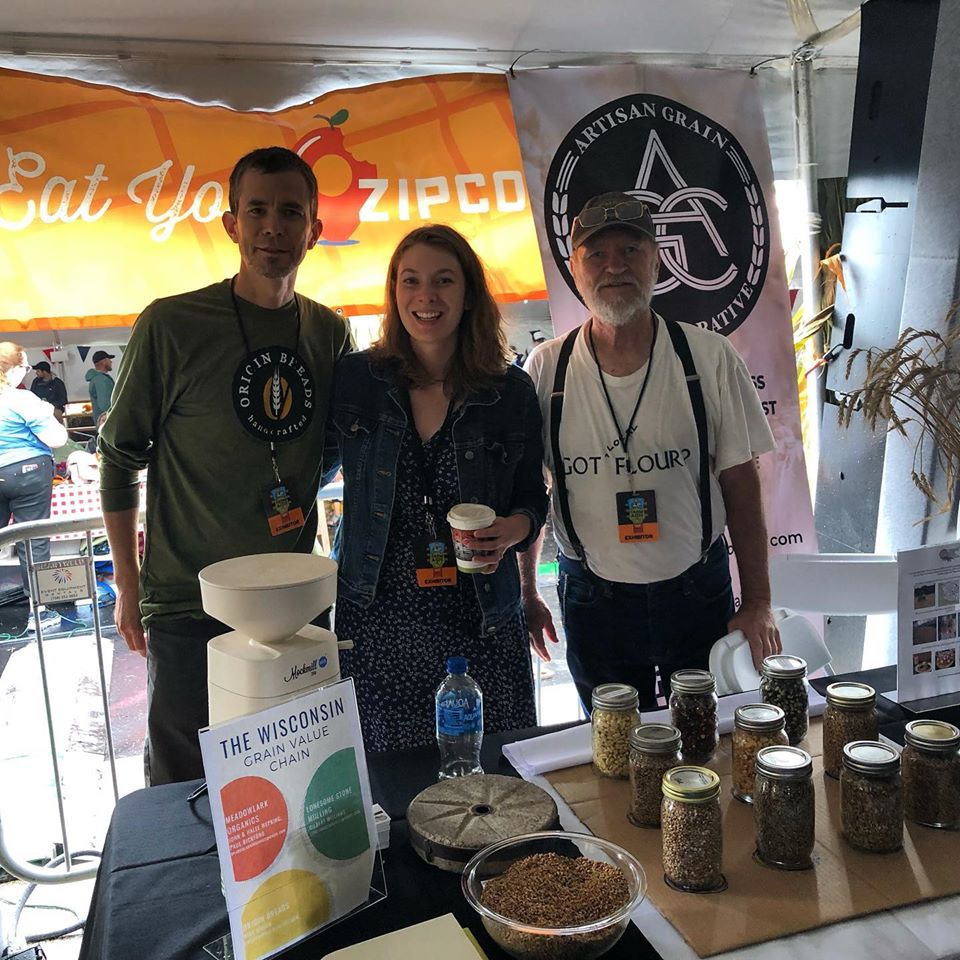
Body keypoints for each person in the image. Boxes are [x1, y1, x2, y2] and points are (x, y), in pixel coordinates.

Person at [99, 146, 353, 786]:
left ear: (314, 231)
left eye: (291, 212)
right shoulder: (173, 325)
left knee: (297, 781)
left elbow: (330, 449)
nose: (273, 226)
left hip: (292, 605)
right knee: (186, 790)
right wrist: (128, 587)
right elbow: (120, 454)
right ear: (231, 223)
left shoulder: (328, 333)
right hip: (189, 602)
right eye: (257, 210)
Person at [520, 191, 780, 712]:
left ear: (657, 260)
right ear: (575, 269)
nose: (614, 265)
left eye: (631, 249)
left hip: (697, 595)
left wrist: (757, 602)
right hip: (594, 602)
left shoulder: (709, 356)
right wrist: (528, 593)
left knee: (704, 742)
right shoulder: (546, 369)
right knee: (615, 750)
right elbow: (532, 491)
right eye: (596, 253)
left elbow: (740, 481)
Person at [327, 224, 548, 752]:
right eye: (411, 281)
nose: (426, 297)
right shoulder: (356, 380)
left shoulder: (509, 390)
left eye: (444, 281)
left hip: (482, 621)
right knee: (390, 779)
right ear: (394, 293)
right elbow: (303, 464)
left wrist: (513, 530)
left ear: (468, 293)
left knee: (495, 781)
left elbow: (532, 498)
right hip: (378, 620)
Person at [0, 343, 69, 631]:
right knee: (33, 538)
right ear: (14, 369)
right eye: (25, 367)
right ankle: (39, 612)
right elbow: (57, 439)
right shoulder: (22, 399)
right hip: (28, 471)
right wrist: (44, 411)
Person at [86, 350, 115, 423]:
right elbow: (105, 405)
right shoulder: (101, 380)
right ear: (104, 362)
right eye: (109, 360)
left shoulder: (96, 378)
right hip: (107, 422)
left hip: (101, 422)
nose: (111, 362)